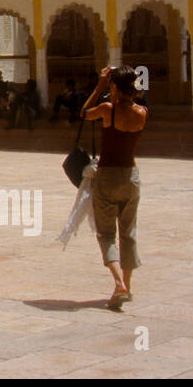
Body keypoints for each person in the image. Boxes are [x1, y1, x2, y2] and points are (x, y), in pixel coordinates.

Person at [79, 66, 148, 310]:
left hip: (108, 176)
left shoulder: (109, 109)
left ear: (115, 87)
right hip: (131, 176)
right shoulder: (142, 112)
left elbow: (85, 112)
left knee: (106, 234)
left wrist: (99, 86)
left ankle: (119, 284)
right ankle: (126, 288)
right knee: (128, 233)